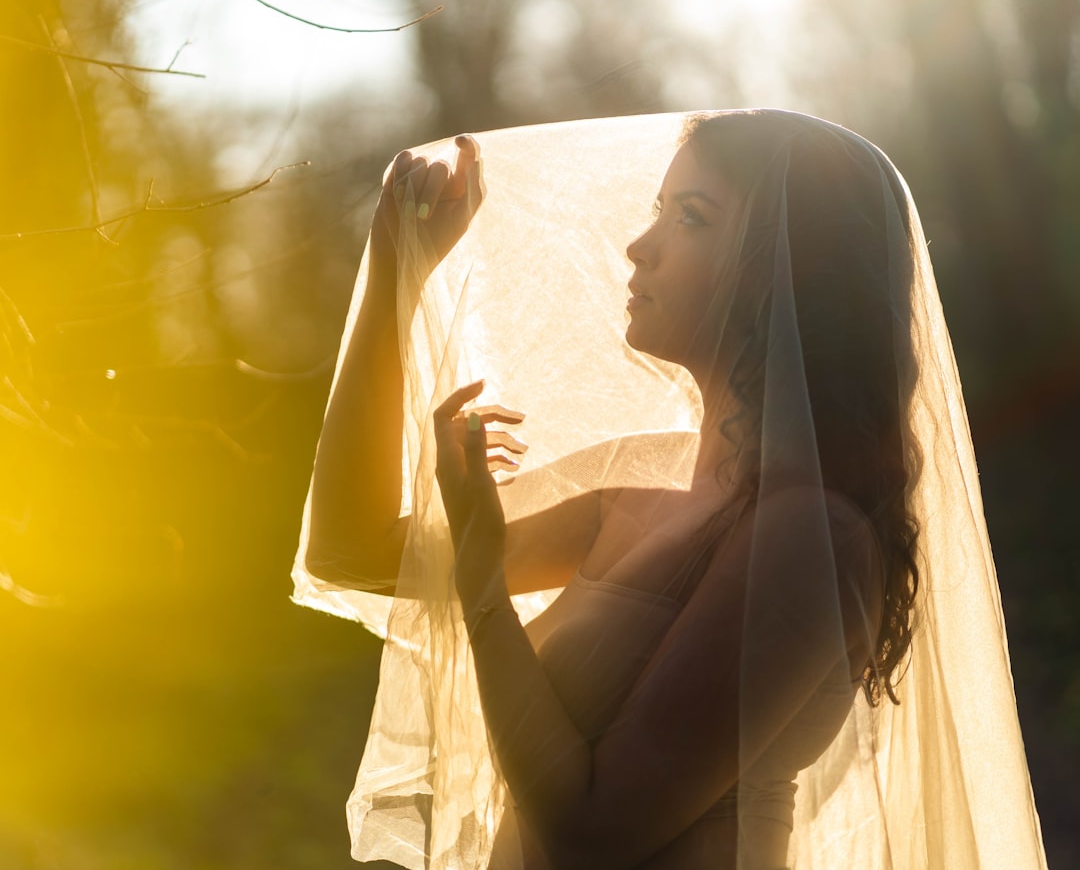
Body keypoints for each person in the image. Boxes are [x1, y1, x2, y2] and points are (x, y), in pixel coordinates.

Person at [293, 111, 1047, 870]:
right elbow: (347, 551)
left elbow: (593, 830)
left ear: (785, 270)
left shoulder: (811, 534)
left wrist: (483, 578)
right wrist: (397, 268)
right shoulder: (645, 483)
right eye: (660, 209)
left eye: (691, 217)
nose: (638, 245)